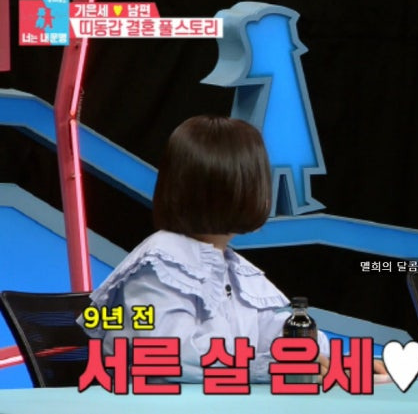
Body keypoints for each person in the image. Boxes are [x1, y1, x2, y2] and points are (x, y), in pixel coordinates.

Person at [78, 115, 331, 382]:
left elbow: (268, 328)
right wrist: (276, 365)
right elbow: (173, 355)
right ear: (238, 189)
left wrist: (314, 350)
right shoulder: (157, 266)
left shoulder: (230, 267)